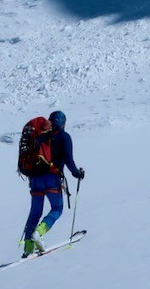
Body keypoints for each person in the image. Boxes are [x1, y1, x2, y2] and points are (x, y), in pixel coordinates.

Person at [22, 110, 85, 257]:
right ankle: (39, 232)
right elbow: (69, 161)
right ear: (63, 123)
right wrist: (77, 173)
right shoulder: (64, 137)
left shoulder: (41, 135)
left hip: (35, 178)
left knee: (35, 212)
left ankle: (28, 246)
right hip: (52, 178)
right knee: (57, 208)